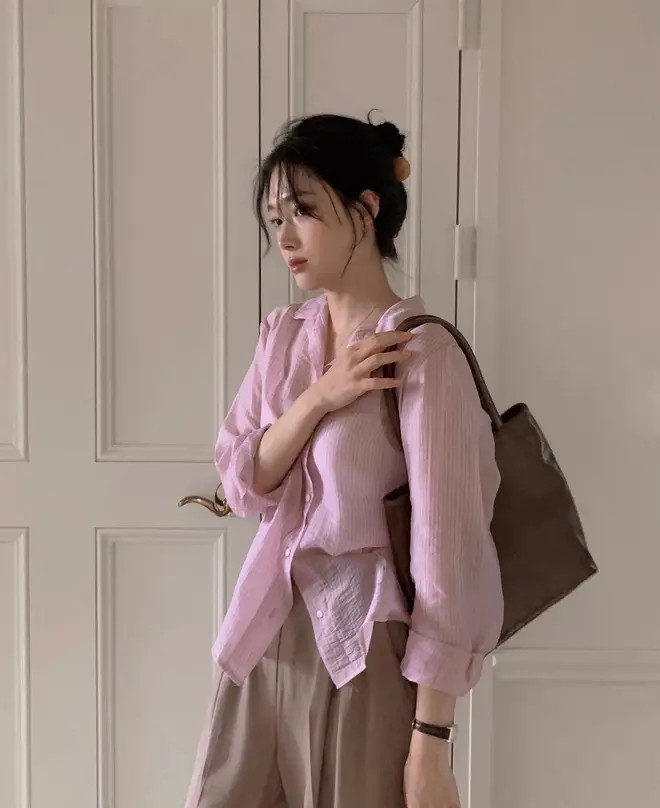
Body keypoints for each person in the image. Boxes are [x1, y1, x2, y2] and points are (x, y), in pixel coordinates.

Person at [184, 112, 504, 808]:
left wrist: (431, 745)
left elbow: (450, 556)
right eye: (276, 219)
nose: (284, 238)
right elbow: (242, 481)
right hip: (265, 634)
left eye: (303, 212)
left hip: (362, 647)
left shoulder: (422, 355)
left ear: (366, 209)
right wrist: (319, 398)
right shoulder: (282, 336)